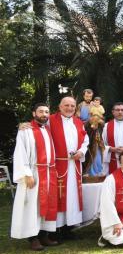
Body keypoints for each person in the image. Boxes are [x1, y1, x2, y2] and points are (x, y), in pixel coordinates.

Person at [11, 103, 60, 250]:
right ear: (34, 113)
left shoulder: (48, 129)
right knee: (33, 206)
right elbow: (20, 153)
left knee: (45, 205)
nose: (44, 114)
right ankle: (32, 238)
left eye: (46, 112)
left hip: (48, 173)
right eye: (40, 112)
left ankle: (44, 235)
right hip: (34, 173)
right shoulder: (26, 130)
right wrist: (27, 174)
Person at [48, 97, 89, 238]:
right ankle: (56, 229)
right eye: (66, 105)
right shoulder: (50, 119)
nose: (69, 108)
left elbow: (85, 140)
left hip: (75, 165)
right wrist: (25, 125)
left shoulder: (78, 122)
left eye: (72, 105)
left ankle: (69, 228)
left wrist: (81, 152)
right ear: (59, 106)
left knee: (72, 197)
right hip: (58, 165)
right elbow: (37, 128)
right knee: (59, 196)